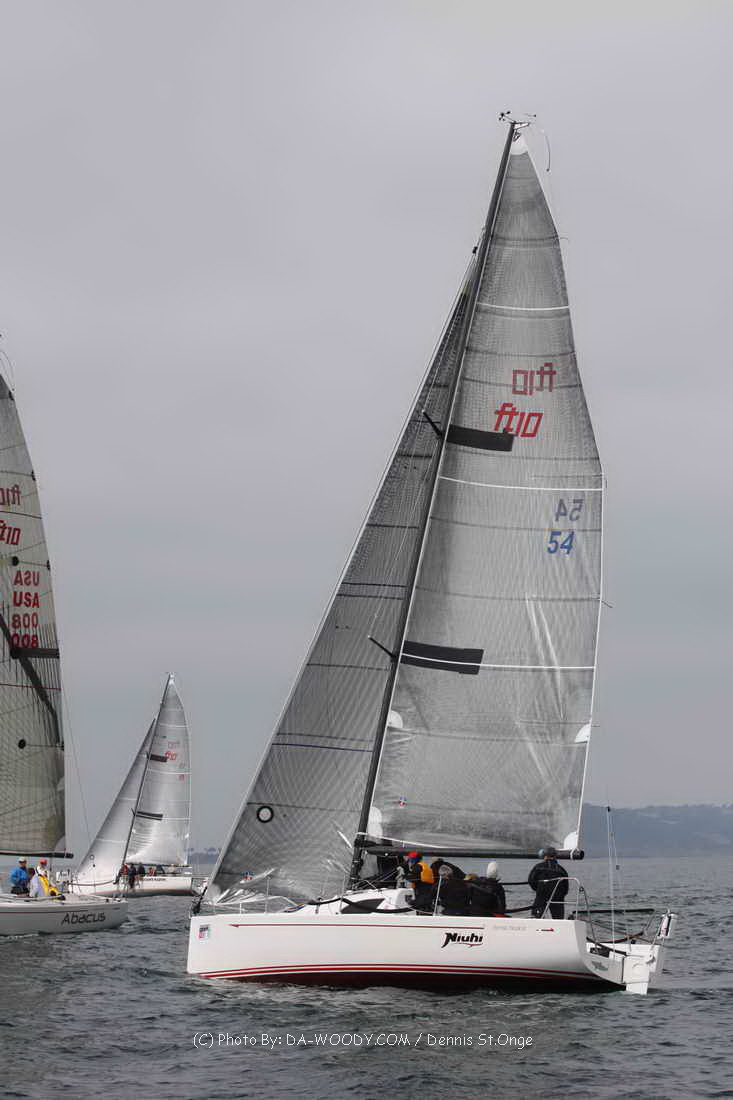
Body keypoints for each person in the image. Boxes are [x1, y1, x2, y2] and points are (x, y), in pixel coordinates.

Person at [528, 847, 568, 919]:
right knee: (558, 919)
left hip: (542, 895)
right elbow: (565, 888)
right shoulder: (561, 870)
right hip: (557, 898)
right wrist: (559, 894)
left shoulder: (538, 867)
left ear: (545, 856)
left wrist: (538, 889)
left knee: (536, 917)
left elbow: (531, 881)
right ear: (555, 856)